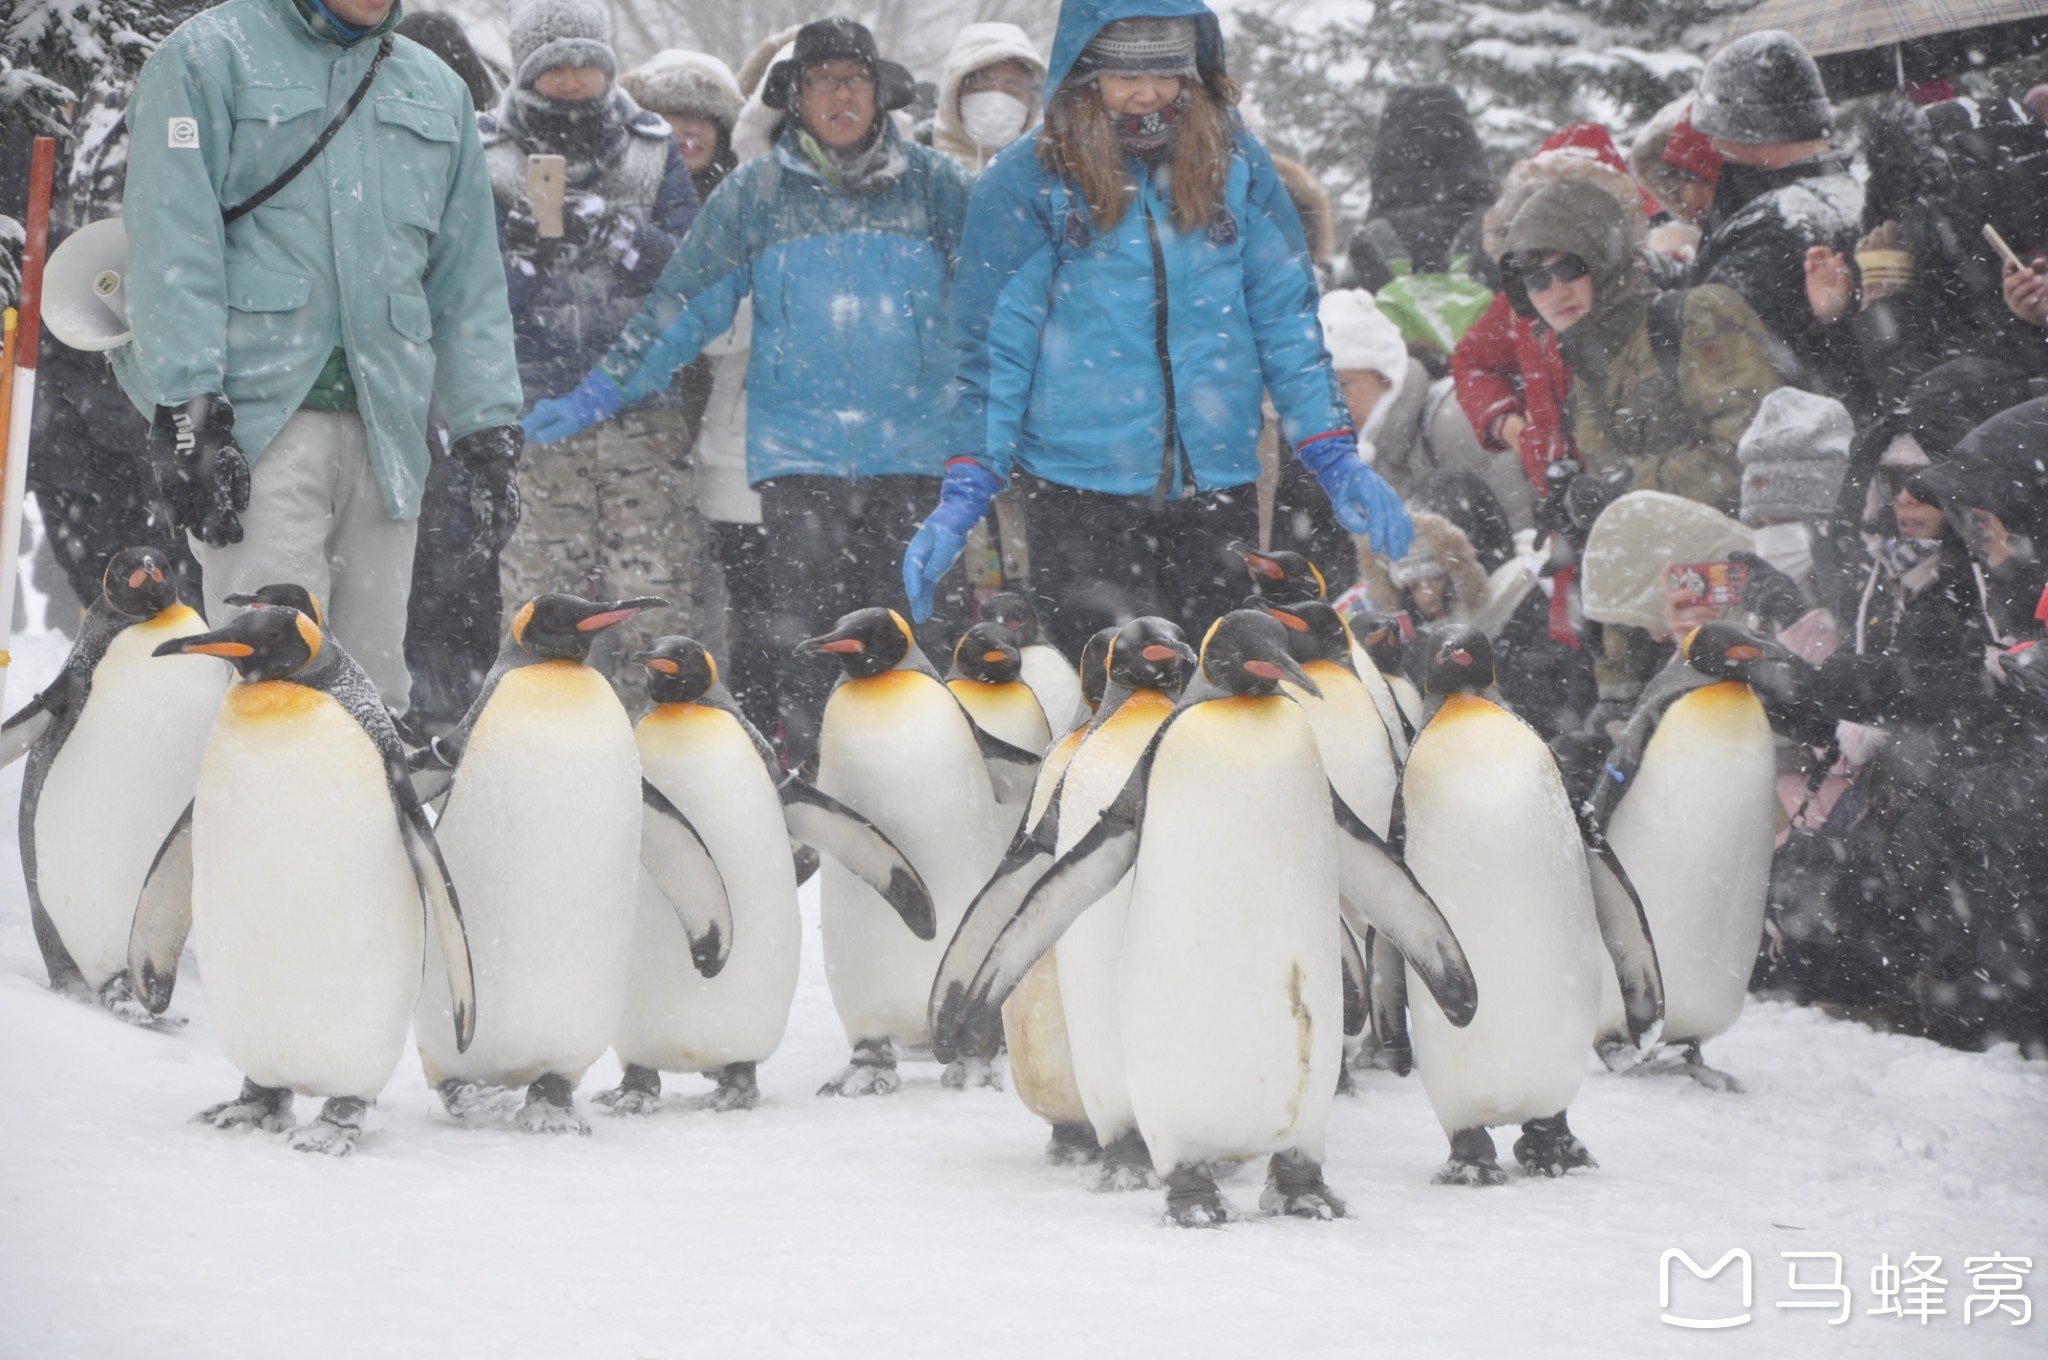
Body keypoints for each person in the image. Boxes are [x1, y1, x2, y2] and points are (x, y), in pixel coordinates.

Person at [523, 16, 974, 771]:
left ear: (880, 94)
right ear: (794, 98)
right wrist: (600, 392)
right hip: (798, 464)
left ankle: (923, 793)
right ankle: (809, 797)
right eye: (820, 81)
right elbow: (679, 307)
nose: (839, 96)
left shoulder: (938, 188)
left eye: (853, 80)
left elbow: (1004, 308)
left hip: (917, 463)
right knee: (809, 646)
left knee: (919, 649)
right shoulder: (755, 196)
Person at [901, 3, 1412, 656]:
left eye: (1167, 72)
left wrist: (1335, 458)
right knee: (1122, 702)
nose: (1148, 93)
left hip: (1215, 489)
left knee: (1219, 694)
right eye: (1124, 75)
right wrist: (967, 486)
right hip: (1080, 497)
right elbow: (994, 354)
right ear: (1086, 67)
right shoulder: (1029, 181)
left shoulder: (1238, 165)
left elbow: (1288, 328)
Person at [115, 0, 522, 712]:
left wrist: (488, 429)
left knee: (372, 694)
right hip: (256, 425)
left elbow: (467, 279)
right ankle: (263, 825)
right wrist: (189, 407)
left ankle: (362, 824)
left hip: (389, 426)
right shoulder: (208, 56)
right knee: (273, 678)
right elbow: (172, 241)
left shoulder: (435, 88)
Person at [484, 0, 700, 692]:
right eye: (555, 68)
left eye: (586, 63)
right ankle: (538, 750)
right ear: (526, 73)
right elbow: (462, 301)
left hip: (644, 411)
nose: (573, 79)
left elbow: (702, 277)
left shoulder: (652, 147)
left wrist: (622, 237)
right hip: (533, 415)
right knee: (539, 606)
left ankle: (665, 750)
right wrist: (517, 259)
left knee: (657, 598)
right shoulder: (485, 153)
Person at [1501, 178, 1780, 518]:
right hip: (1661, 555)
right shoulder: (1586, 357)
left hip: (1742, 550)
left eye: (1569, 269)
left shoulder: (1696, 317)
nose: (1556, 292)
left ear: (1602, 261)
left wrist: (1624, 492)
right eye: (1536, 279)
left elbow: (1752, 455)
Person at [1687, 29, 1864, 409]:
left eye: (1717, 129)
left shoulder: (1774, 224)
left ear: (1750, 127)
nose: (1713, 144)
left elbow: (1713, 333)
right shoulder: (1859, 192)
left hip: (1791, 426)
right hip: (1851, 417)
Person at [929, 22, 1047, 174]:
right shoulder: (919, 171)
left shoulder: (1046, 178)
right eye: (982, 88)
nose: (996, 103)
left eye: (1012, 91)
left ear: (1032, 101)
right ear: (954, 94)